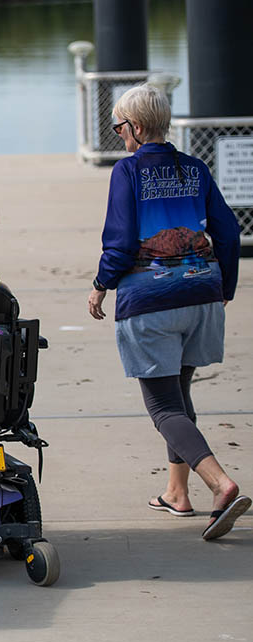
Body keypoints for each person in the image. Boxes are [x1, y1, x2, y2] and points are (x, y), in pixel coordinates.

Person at [87, 83, 248, 540]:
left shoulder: (127, 172)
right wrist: (225, 288)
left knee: (162, 406)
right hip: (202, 298)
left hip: (151, 304)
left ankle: (219, 482)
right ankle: (178, 494)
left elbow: (119, 246)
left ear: (136, 127)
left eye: (120, 127)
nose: (120, 135)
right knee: (179, 395)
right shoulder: (195, 168)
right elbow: (229, 234)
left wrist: (100, 286)